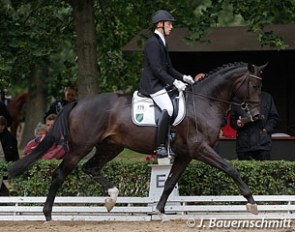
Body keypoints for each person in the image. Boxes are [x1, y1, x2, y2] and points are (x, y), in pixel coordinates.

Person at [139, 10, 196, 158]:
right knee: (168, 108)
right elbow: (157, 70)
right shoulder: (152, 43)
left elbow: (168, 68)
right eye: (169, 24)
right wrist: (175, 82)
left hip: (160, 83)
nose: (171, 27)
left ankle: (171, 137)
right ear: (159, 24)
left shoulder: (162, 42)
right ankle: (159, 147)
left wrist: (184, 77)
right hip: (152, 85)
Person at [230, 91, 279, 160]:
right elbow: (232, 121)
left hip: (262, 143)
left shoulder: (267, 97)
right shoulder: (237, 100)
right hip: (244, 144)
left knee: (264, 169)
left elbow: (274, 117)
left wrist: (266, 129)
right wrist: (237, 123)